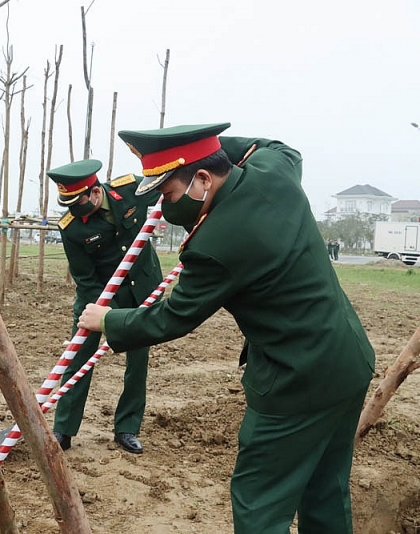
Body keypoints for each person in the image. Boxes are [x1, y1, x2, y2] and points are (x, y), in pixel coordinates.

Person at [78, 123, 375, 533]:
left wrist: (107, 319)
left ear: (202, 179)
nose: (165, 207)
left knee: (259, 504)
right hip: (349, 360)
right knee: (325, 489)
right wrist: (209, 149)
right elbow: (275, 146)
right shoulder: (275, 174)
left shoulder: (214, 243)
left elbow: (172, 316)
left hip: (295, 383)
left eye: (168, 194)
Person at [46, 159, 163, 454]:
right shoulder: (71, 228)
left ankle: (127, 428)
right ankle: (64, 429)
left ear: (96, 192)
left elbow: (167, 188)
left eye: (79, 202)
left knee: (138, 362)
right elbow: (85, 279)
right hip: (97, 296)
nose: (74, 210)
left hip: (141, 290)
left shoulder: (131, 189)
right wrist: (105, 314)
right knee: (78, 358)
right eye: (68, 204)